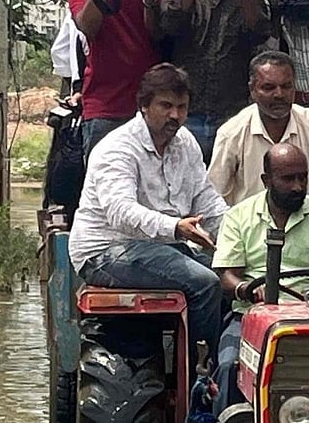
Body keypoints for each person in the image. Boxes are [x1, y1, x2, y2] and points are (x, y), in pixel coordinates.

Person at [68, 63, 228, 369]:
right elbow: (121, 213)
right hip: (106, 250)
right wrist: (176, 228)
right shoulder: (117, 148)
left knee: (229, 276)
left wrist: (239, 239)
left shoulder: (186, 143)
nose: (175, 116)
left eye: (181, 107)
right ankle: (200, 370)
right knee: (206, 282)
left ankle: (224, 365)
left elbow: (207, 201)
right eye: (166, 106)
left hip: (163, 248)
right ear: (144, 106)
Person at [211, 143, 309, 415]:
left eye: (303, 177)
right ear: (267, 181)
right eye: (288, 179)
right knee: (229, 366)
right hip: (249, 317)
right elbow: (226, 274)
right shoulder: (239, 216)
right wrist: (245, 290)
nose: (298, 186)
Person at [161, 0, 281, 162]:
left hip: (231, 115)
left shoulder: (248, 0)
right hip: (186, 113)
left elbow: (260, 30)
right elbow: (170, 23)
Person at [68, 0, 166, 155]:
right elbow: (88, 27)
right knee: (102, 184)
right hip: (104, 106)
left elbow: (159, 36)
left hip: (148, 107)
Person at [208, 51, 309, 213]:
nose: (279, 94)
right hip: (249, 232)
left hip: (307, 229)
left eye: (286, 86)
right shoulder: (232, 133)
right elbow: (214, 196)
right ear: (252, 90)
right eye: (269, 87)